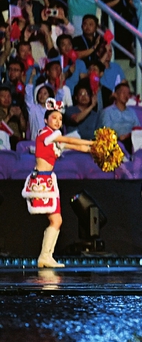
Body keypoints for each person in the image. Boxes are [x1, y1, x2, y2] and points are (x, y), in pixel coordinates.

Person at [22, 100, 94, 268]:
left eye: (60, 119)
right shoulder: (45, 134)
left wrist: (96, 149)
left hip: (48, 182)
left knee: (57, 220)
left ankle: (46, 256)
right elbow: (69, 139)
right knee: (56, 220)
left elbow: (76, 147)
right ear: (46, 120)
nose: (57, 121)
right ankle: (45, 256)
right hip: (41, 182)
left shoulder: (53, 137)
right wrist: (91, 142)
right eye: (54, 118)